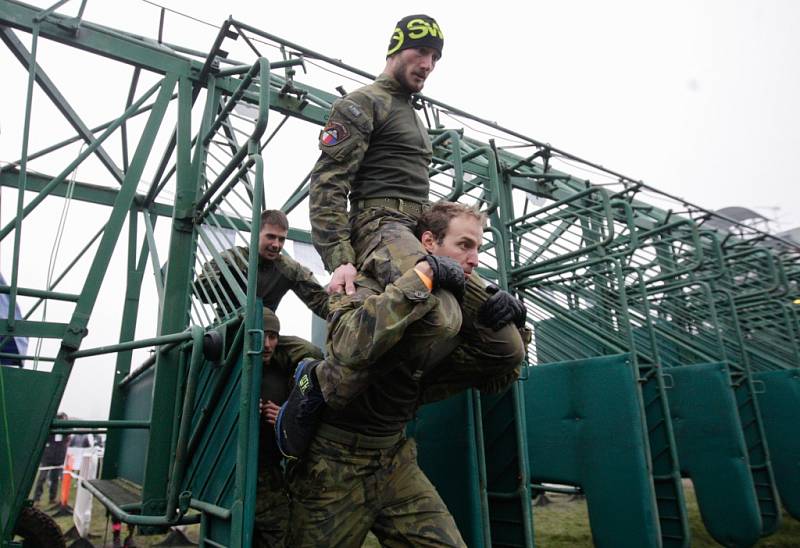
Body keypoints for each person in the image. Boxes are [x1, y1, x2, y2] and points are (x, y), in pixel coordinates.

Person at [283, 202, 528, 547]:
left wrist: (513, 329)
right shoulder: (365, 285)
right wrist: (423, 277)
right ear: (428, 242)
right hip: (335, 462)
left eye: (478, 248)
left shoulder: (457, 316)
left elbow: (493, 380)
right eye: (464, 245)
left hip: (394, 458)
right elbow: (347, 346)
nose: (474, 259)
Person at [195, 209, 328, 356]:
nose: (276, 245)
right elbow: (203, 293)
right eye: (270, 237)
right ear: (255, 234)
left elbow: (321, 301)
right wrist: (223, 273)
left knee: (311, 353)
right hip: (228, 337)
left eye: (281, 239)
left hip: (265, 339)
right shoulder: (232, 258)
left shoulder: (289, 269)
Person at [254, 307, 323, 547]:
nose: (266, 344)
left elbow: (301, 418)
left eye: (272, 337)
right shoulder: (230, 371)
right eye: (261, 336)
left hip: (272, 471)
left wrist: (284, 416)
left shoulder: (282, 372)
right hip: (235, 473)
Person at [33, 412, 70, 506]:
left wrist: (65, 419)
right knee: (42, 478)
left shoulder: (66, 431)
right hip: (47, 457)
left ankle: (52, 498)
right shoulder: (50, 429)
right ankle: (36, 499)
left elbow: (69, 430)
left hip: (59, 458)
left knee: (55, 479)